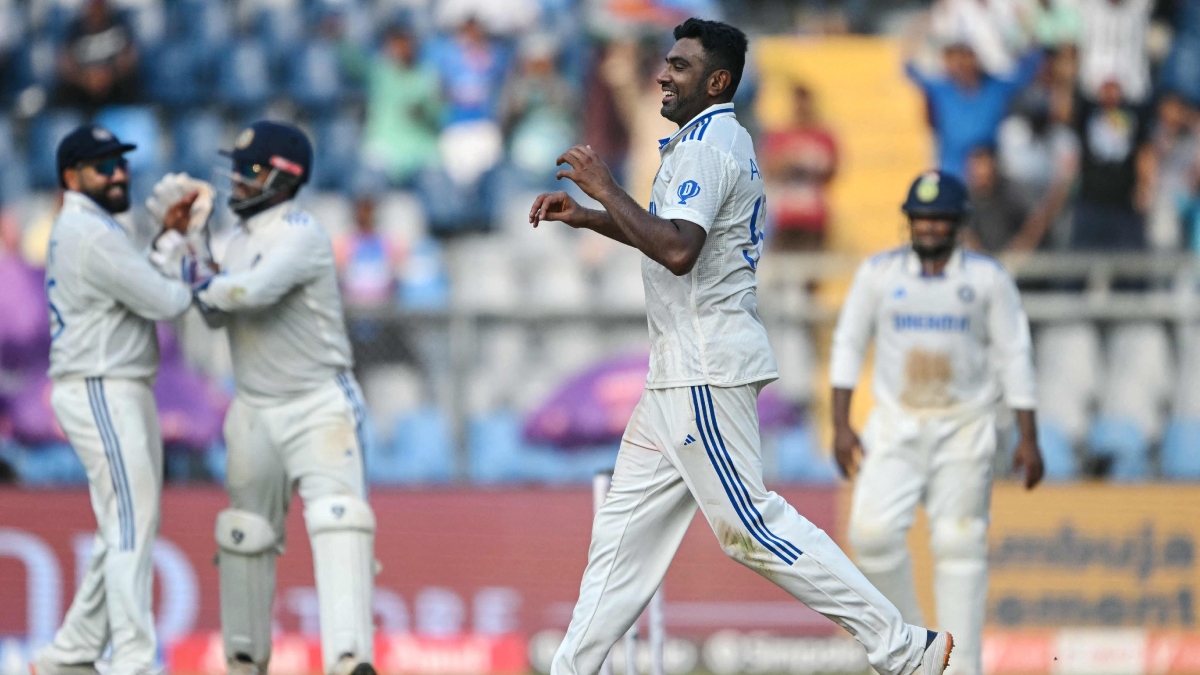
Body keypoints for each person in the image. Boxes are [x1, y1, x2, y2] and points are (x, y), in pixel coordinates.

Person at [528, 19, 954, 675]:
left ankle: (902, 648)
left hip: (704, 367)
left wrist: (605, 187)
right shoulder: (699, 141)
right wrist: (588, 216)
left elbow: (678, 249)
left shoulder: (711, 144)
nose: (663, 74)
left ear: (718, 80)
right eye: (666, 62)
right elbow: (669, 235)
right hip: (675, 370)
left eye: (680, 65)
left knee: (748, 526)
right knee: (621, 542)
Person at [169, 121, 377, 675]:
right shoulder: (234, 241)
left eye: (251, 170)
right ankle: (244, 661)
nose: (237, 180)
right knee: (244, 535)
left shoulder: (302, 232)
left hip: (317, 404)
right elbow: (213, 311)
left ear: (285, 179)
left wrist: (190, 268)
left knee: (339, 521)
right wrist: (192, 243)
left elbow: (247, 293)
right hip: (255, 407)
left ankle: (349, 659)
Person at [831, 170, 1045, 675]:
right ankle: (916, 652)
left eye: (939, 220)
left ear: (958, 223)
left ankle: (962, 667)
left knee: (959, 544)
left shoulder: (986, 279)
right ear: (909, 223)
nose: (929, 229)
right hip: (896, 424)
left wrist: (1028, 439)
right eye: (921, 220)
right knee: (872, 535)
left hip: (965, 426)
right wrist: (841, 424)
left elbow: (1016, 355)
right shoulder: (879, 274)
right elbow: (847, 345)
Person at [31, 125, 194, 675]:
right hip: (102, 384)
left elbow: (146, 287)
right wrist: (180, 247)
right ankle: (132, 657)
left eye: (120, 162)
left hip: (118, 383)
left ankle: (70, 650)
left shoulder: (97, 227)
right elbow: (168, 300)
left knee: (125, 523)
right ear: (72, 177)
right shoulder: (90, 232)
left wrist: (166, 242)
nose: (119, 172)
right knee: (129, 521)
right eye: (104, 166)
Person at [903, 19, 1042, 180]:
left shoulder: (995, 88)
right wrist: (919, 28)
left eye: (965, 55)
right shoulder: (941, 89)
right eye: (953, 56)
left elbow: (1028, 69)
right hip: (951, 181)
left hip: (988, 185)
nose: (960, 62)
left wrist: (1029, 30)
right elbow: (909, 67)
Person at [1070, 79, 1154, 250]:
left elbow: (1144, 152)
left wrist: (1144, 186)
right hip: (1090, 200)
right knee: (1081, 260)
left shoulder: (1134, 115)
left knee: (1128, 264)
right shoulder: (1087, 111)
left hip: (1124, 204)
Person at [760, 83, 838, 251]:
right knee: (783, 271)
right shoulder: (779, 136)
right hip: (784, 216)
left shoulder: (823, 137)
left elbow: (831, 173)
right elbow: (769, 169)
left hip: (813, 217)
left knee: (812, 270)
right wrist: (792, 160)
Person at [56, 0, 140, 110]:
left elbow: (130, 56)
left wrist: (108, 75)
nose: (96, 10)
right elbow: (65, 62)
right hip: (82, 91)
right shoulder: (75, 28)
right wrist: (86, 79)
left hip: (115, 87)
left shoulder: (120, 23)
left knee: (132, 87)